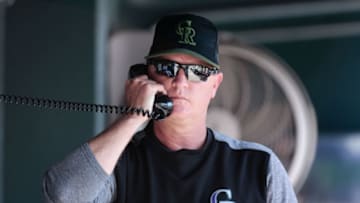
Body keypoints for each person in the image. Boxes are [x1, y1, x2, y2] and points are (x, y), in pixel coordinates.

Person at [42, 13, 298, 203]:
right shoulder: (119, 163)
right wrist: (132, 117)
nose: (180, 82)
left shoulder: (257, 165)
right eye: (168, 68)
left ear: (215, 84)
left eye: (197, 72)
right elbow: (63, 193)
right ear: (146, 75)